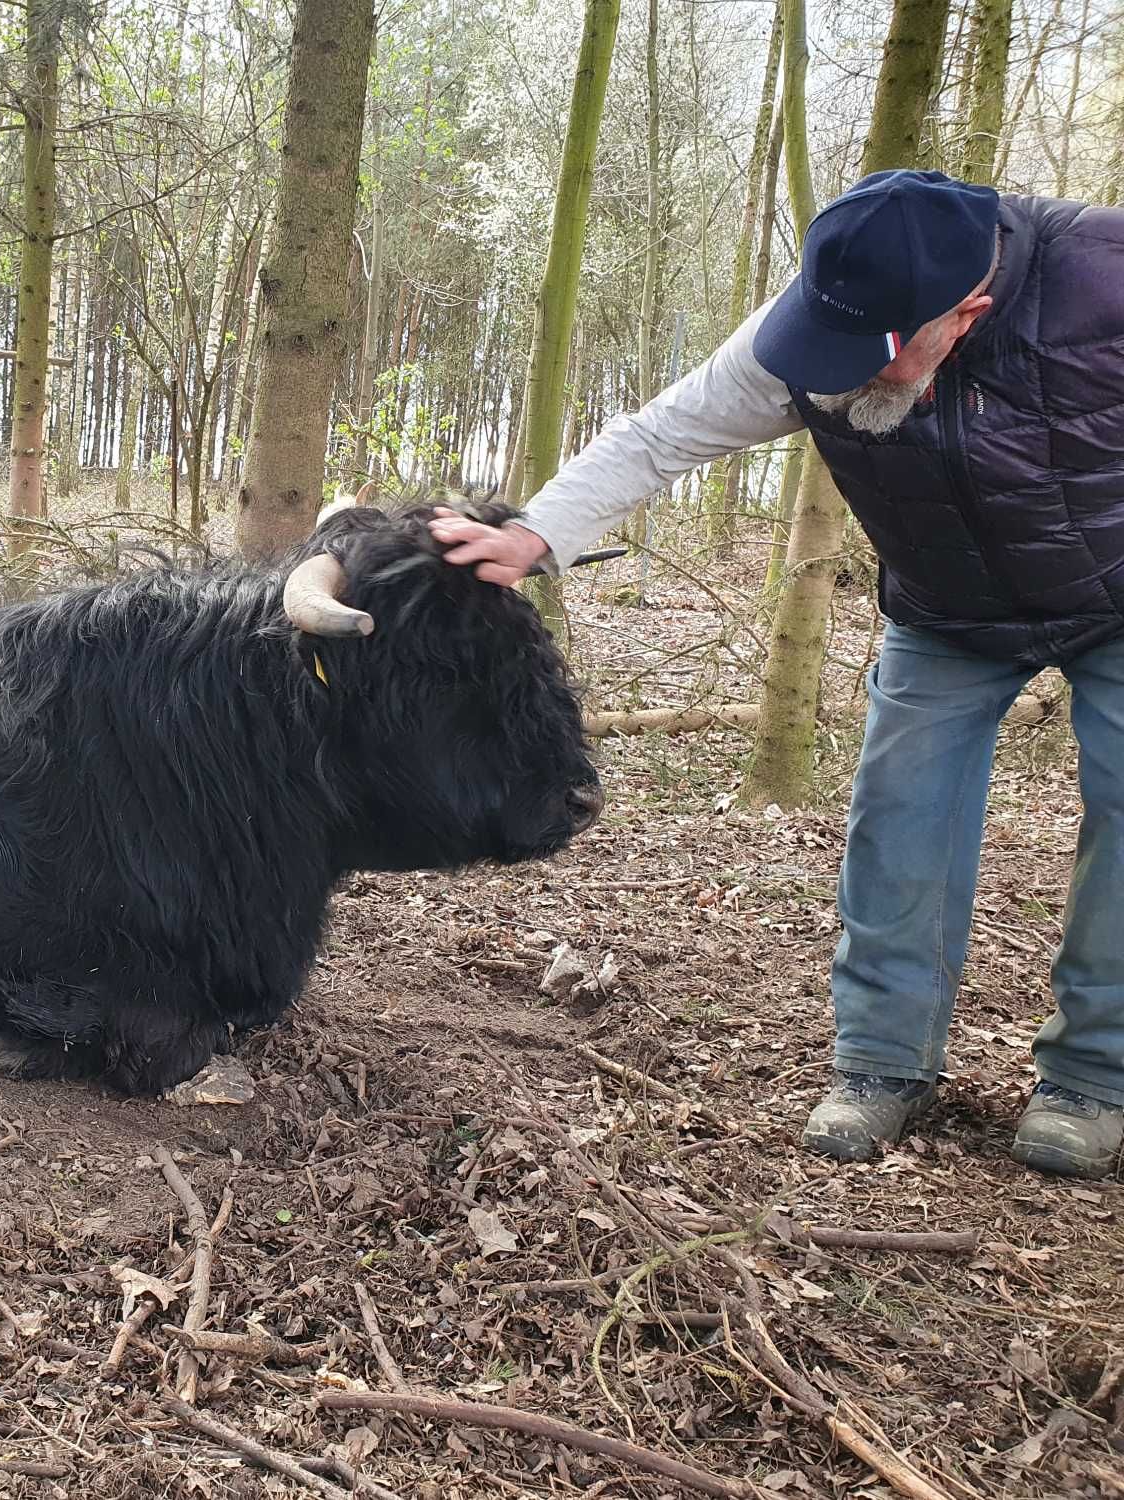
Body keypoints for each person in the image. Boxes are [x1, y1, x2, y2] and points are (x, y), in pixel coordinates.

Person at [433, 169, 1124, 1179]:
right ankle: (882, 1065)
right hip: (946, 607)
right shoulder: (810, 333)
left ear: (963, 314)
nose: (835, 386)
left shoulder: (1101, 285)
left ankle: (1093, 1080)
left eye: (867, 366)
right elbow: (659, 434)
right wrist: (537, 532)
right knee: (897, 819)